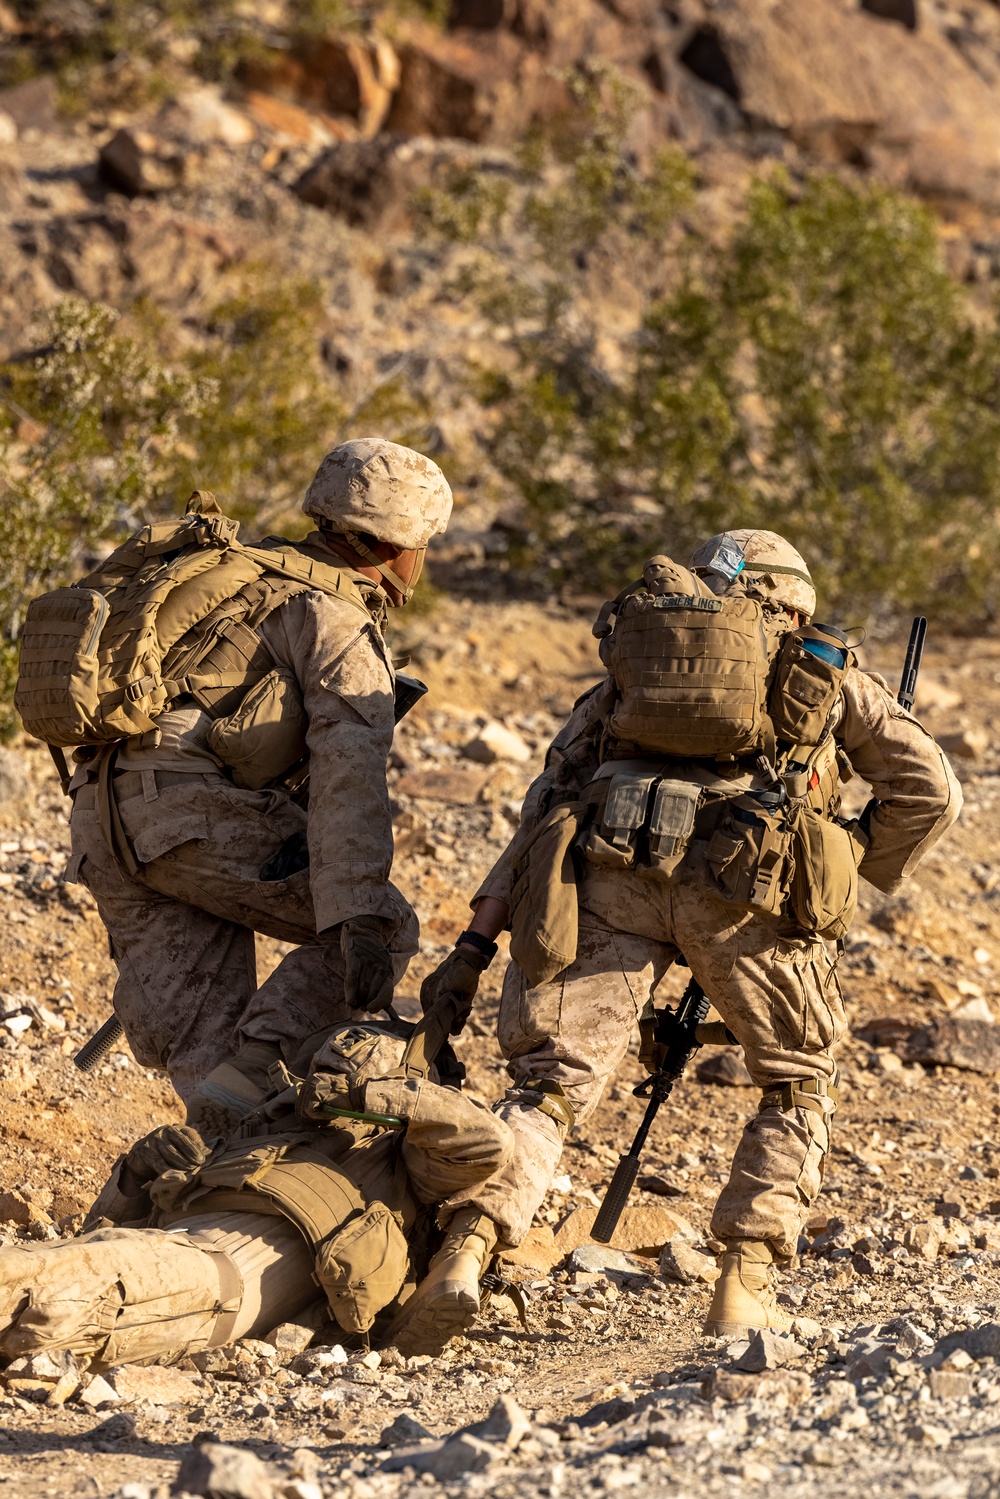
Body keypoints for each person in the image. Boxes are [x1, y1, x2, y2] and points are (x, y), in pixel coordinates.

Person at [408, 530, 962, 1343]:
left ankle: (466, 1248)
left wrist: (474, 946)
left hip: (609, 876)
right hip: (750, 891)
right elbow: (932, 793)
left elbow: (541, 810)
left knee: (549, 1086)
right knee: (795, 1078)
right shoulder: (826, 672)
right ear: (794, 601)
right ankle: (744, 1283)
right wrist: (845, 856)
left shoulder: (636, 665)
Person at [61, 439, 452, 1120]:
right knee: (385, 928)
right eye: (426, 543)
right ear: (395, 543)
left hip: (103, 817)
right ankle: (260, 1065)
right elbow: (348, 774)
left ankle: (204, 1166)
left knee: (213, 1079)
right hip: (192, 815)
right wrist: (355, 913)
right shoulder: (334, 613)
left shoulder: (239, 575)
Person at [0, 1007, 512, 1365]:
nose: (327, 1072)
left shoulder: (401, 1162)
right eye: (324, 1065)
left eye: (351, 1066)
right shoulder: (259, 1130)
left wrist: (369, 1097)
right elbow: (100, 1225)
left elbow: (488, 1142)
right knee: (44, 1267)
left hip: (219, 1280)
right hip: (152, 1245)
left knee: (57, 1300)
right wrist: (138, 1170)